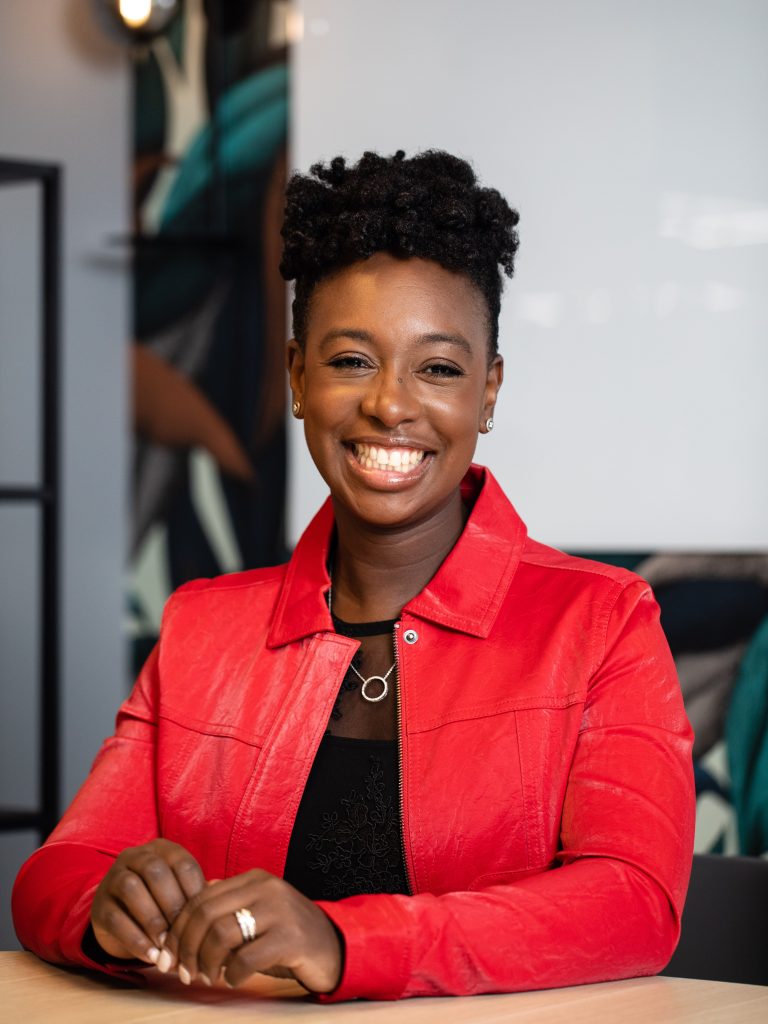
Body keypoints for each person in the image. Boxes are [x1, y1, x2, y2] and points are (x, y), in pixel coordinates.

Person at [12, 150, 695, 1001]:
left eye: (439, 368)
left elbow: (634, 903)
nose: (390, 405)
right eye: (350, 361)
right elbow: (57, 871)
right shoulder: (202, 629)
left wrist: (344, 941)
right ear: (297, 376)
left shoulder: (602, 622)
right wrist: (104, 905)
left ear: (489, 391)